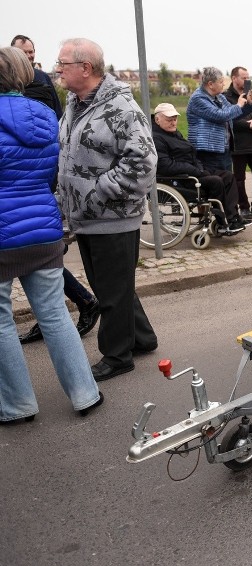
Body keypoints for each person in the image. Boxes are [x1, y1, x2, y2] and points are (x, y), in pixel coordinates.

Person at [0, 46, 103, 423]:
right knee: (55, 314)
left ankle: (17, 405)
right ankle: (85, 393)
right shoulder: (45, 114)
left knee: (0, 321)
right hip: (42, 227)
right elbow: (53, 172)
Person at [55, 38, 158, 381]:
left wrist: (99, 193)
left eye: (63, 64)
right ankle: (142, 338)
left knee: (111, 291)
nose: (58, 70)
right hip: (86, 216)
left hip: (112, 217)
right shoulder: (76, 104)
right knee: (114, 286)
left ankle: (117, 356)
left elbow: (143, 161)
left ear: (85, 68)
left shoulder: (121, 108)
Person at [12, 40, 100, 344]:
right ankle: (59, 311)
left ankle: (81, 303)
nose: (28, 59)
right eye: (23, 55)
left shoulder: (37, 86)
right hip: (35, 183)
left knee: (39, 257)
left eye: (31, 55)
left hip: (35, 183)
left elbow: (50, 127)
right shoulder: (35, 86)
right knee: (38, 260)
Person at [151, 103, 248, 234]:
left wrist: (199, 168)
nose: (173, 122)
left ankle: (233, 217)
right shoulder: (157, 138)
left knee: (228, 176)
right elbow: (166, 166)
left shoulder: (174, 133)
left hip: (192, 172)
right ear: (157, 120)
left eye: (175, 119)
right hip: (179, 179)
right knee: (216, 182)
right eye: (169, 119)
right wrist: (195, 170)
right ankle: (224, 221)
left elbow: (191, 154)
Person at [186, 66, 252, 173]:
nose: (223, 84)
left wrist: (248, 104)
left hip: (223, 149)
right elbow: (219, 115)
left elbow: (231, 114)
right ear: (210, 84)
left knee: (227, 183)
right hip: (208, 152)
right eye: (221, 82)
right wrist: (238, 105)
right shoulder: (198, 99)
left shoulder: (219, 97)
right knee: (215, 185)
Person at [224, 66, 252, 219]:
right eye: (243, 77)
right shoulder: (226, 97)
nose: (247, 80)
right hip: (238, 145)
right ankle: (244, 207)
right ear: (234, 78)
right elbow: (231, 120)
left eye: (248, 77)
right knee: (239, 179)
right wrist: (250, 125)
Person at [10, 35, 62, 118]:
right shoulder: (5, 78)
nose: (28, 56)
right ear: (12, 54)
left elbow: (57, 110)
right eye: (23, 52)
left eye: (30, 52)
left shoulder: (43, 77)